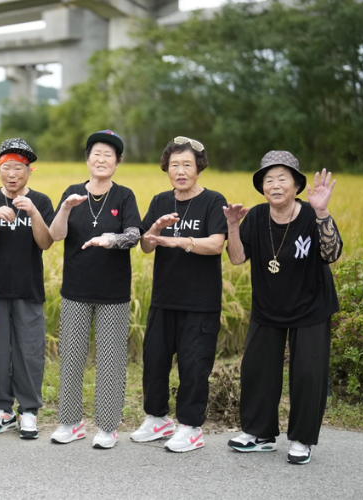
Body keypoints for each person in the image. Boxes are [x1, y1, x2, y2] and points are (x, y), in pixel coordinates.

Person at [224, 151, 341, 465]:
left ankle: (302, 439)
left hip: (311, 306)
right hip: (268, 306)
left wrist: (323, 212)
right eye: (268, 179)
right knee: (257, 370)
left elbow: (332, 254)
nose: (274, 185)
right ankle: (259, 435)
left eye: (282, 179)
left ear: (297, 185)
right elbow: (236, 258)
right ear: (262, 186)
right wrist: (233, 227)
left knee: (307, 373)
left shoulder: (311, 214)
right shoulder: (258, 216)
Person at [130, 136, 227, 452]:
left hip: (200, 303)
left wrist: (179, 241)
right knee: (154, 361)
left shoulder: (212, 201)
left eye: (187, 164)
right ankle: (157, 418)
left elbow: (216, 244)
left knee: (193, 365)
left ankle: (191, 427)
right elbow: (145, 245)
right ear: (166, 169)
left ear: (199, 168)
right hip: (163, 299)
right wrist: (155, 231)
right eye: (174, 165)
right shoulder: (160, 201)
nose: (180, 171)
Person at [48, 130, 143, 449]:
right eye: (96, 154)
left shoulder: (124, 196)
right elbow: (56, 235)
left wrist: (110, 239)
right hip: (75, 289)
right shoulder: (72, 193)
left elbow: (135, 234)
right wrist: (64, 208)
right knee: (72, 357)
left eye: (109, 155)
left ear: (117, 162)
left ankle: (107, 427)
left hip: (113, 293)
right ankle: (70, 423)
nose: (102, 159)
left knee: (111, 360)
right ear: (87, 158)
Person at [0, 138, 54, 440]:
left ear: (29, 171)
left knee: (30, 352)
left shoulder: (41, 201)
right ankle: (1, 410)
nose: (12, 174)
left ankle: (28, 411)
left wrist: (34, 212)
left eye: (19, 168)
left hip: (28, 288)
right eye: (6, 167)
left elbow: (46, 242)